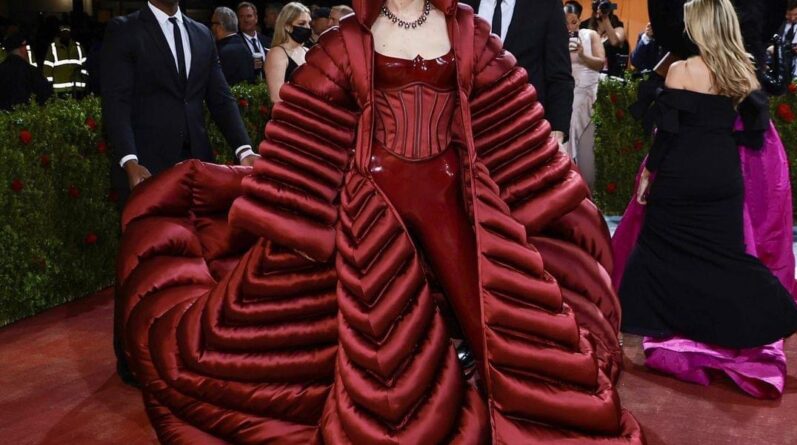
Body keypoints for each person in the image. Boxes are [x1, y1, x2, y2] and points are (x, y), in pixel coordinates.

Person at [113, 0, 645, 442]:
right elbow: (307, 117)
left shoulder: (465, 30)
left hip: (450, 196)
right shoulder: (348, 39)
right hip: (372, 200)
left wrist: (536, 173)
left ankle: (519, 410)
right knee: (369, 322)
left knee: (492, 315)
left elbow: (508, 106)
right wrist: (294, 206)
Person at [617, 0, 797, 397]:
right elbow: (753, 129)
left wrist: (649, 174)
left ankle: (641, 325)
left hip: (682, 173)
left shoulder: (682, 70)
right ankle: (784, 313)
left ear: (699, 26)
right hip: (723, 176)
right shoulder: (741, 72)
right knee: (727, 259)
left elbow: (668, 133)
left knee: (653, 250)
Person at [102, 0, 257, 386]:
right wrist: (129, 161)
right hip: (146, 170)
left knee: (195, 262)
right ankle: (131, 358)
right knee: (139, 265)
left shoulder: (201, 34)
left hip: (195, 168)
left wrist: (244, 150)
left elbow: (219, 98)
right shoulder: (125, 30)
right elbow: (116, 102)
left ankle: (189, 350)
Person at [463, 0, 573, 145]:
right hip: (468, 130)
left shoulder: (546, 5)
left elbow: (559, 73)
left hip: (526, 129)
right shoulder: (459, 6)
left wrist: (557, 129)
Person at [564, 1, 604, 189]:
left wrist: (582, 55)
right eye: (565, 22)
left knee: (572, 122)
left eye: (573, 22)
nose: (569, 27)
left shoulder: (591, 35)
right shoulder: (556, 37)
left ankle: (570, 170)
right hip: (566, 88)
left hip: (587, 88)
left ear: (579, 21)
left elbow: (600, 63)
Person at [263, 2, 310, 104]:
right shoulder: (277, 54)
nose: (307, 27)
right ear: (287, 26)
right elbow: (276, 97)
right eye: (302, 23)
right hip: (291, 113)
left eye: (308, 23)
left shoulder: (308, 51)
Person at [0, 33, 52, 110]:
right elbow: (45, 94)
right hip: (28, 114)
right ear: (21, 49)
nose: (27, 51)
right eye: (25, 48)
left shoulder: (2, 70)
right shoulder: (32, 72)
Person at [581, 0, 628, 77]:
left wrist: (605, 17)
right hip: (588, 73)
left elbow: (614, 42)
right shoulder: (585, 26)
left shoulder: (618, 28)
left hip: (609, 76)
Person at [212, 6, 256, 85]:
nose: (212, 27)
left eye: (213, 23)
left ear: (220, 25)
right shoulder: (244, 45)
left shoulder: (220, 51)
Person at [43, 25, 87, 96]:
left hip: (77, 88)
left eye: (67, 32)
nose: (65, 34)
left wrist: (85, 80)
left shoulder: (78, 47)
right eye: (63, 32)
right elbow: (47, 67)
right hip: (60, 89)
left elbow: (85, 66)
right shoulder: (53, 47)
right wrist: (48, 85)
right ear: (59, 34)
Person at [238, 2, 269, 81]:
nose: (245, 20)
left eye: (249, 16)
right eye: (241, 17)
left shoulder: (267, 41)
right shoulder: (236, 42)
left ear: (256, 18)